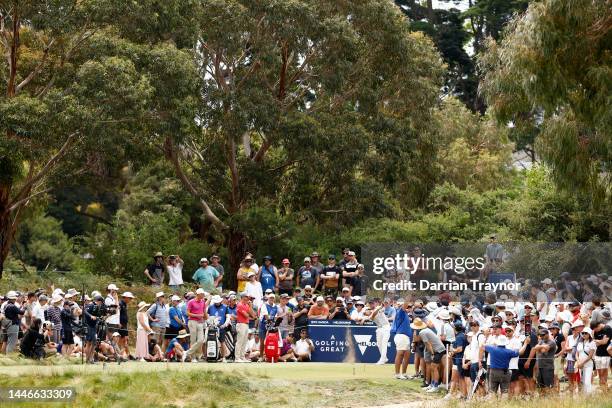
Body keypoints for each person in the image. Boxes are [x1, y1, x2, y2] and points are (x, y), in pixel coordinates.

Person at [419, 320, 447, 393]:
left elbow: (428, 344)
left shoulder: (422, 332)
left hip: (438, 350)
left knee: (434, 367)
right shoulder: (426, 330)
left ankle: (435, 386)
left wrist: (432, 353)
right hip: (439, 349)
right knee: (432, 367)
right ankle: (432, 385)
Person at [183, 288, 208, 362]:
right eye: (202, 294)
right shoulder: (191, 302)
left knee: (201, 340)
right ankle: (193, 357)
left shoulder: (203, 301)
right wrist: (197, 315)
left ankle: (187, 353)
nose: (203, 295)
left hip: (200, 322)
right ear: (198, 294)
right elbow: (187, 313)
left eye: (203, 294)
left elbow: (204, 311)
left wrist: (206, 317)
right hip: (192, 322)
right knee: (193, 340)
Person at [392, 301, 413, 380]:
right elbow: (404, 305)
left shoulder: (406, 314)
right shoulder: (400, 312)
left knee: (407, 355)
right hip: (401, 336)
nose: (408, 309)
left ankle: (404, 373)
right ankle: (397, 374)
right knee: (400, 354)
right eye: (407, 307)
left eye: (409, 307)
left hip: (406, 337)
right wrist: (409, 298)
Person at [235, 292, 256, 363]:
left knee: (244, 342)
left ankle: (242, 357)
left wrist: (250, 306)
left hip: (246, 324)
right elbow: (246, 315)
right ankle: (237, 358)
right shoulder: (240, 305)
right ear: (243, 297)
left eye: (248, 297)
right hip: (241, 324)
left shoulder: (246, 305)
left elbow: (253, 315)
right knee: (240, 341)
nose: (247, 298)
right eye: (246, 297)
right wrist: (252, 317)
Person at [369, 298, 391, 365]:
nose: (371, 305)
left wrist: (382, 305)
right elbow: (372, 316)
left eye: (373, 303)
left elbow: (384, 306)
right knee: (379, 344)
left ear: (375, 303)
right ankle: (385, 358)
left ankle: (382, 360)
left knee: (384, 343)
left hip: (386, 327)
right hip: (379, 329)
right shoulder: (372, 312)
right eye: (370, 304)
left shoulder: (380, 308)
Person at [83, 295, 105, 363]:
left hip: (94, 325)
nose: (101, 304)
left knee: (93, 342)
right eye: (100, 302)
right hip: (89, 325)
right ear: (98, 301)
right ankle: (88, 359)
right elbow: (85, 311)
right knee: (89, 342)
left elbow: (98, 316)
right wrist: (91, 316)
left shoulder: (98, 307)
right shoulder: (91, 305)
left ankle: (90, 358)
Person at [591, 320, 611, 392]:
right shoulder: (595, 331)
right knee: (599, 373)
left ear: (599, 325)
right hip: (598, 353)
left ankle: (605, 387)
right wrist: (600, 341)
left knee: (604, 371)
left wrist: (598, 341)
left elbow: (605, 342)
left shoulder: (607, 328)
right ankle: (602, 387)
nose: (595, 331)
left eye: (596, 329)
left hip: (606, 354)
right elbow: (596, 343)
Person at [575, 327, 596, 394]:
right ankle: (584, 397)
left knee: (587, 382)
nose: (584, 334)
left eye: (585, 333)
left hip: (588, 364)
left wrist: (582, 363)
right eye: (583, 333)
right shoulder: (580, 343)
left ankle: (589, 396)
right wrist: (578, 362)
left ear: (589, 334)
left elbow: (590, 356)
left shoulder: (592, 343)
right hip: (580, 364)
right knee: (582, 381)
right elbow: (576, 354)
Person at [118, 292, 135, 358]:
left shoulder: (125, 304)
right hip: (120, 324)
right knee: (121, 340)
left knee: (125, 339)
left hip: (124, 324)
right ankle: (121, 354)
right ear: (126, 297)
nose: (130, 299)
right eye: (130, 298)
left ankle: (128, 354)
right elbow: (117, 313)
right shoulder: (120, 303)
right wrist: (118, 322)